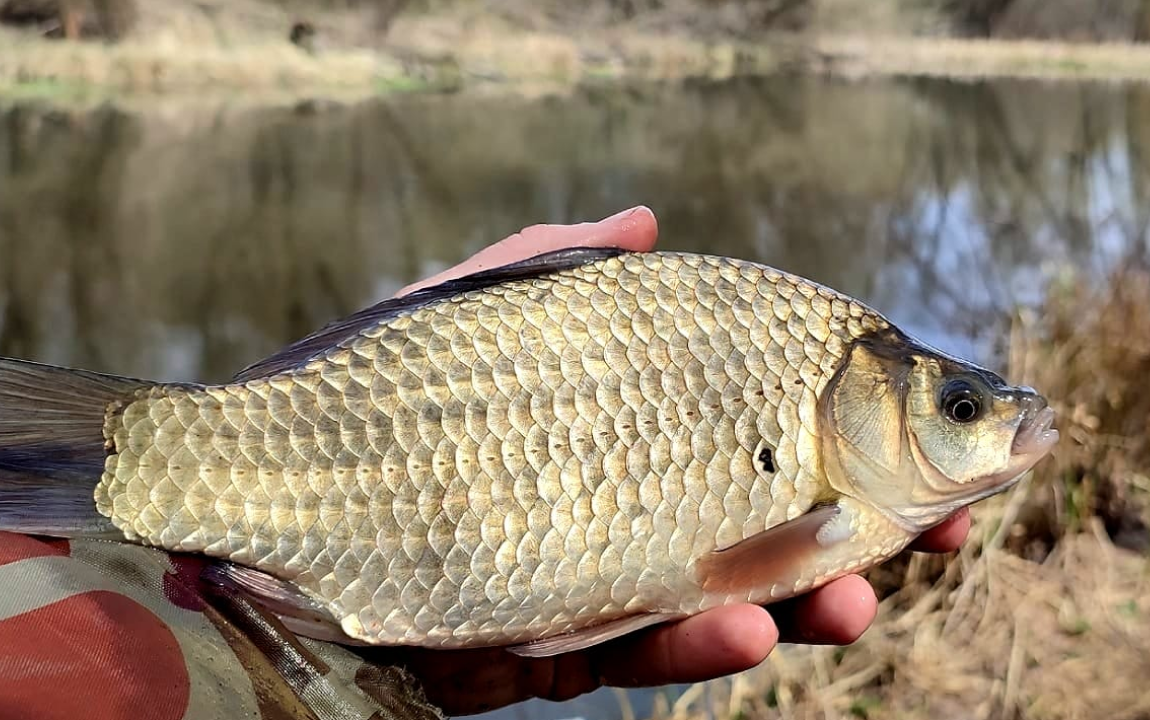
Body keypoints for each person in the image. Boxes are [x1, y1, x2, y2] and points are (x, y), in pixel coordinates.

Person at [0, 206, 969, 719]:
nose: (987, 426)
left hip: (411, 604)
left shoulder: (817, 379)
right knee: (147, 457)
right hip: (408, 559)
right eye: (958, 408)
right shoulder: (838, 487)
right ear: (858, 402)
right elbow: (728, 571)